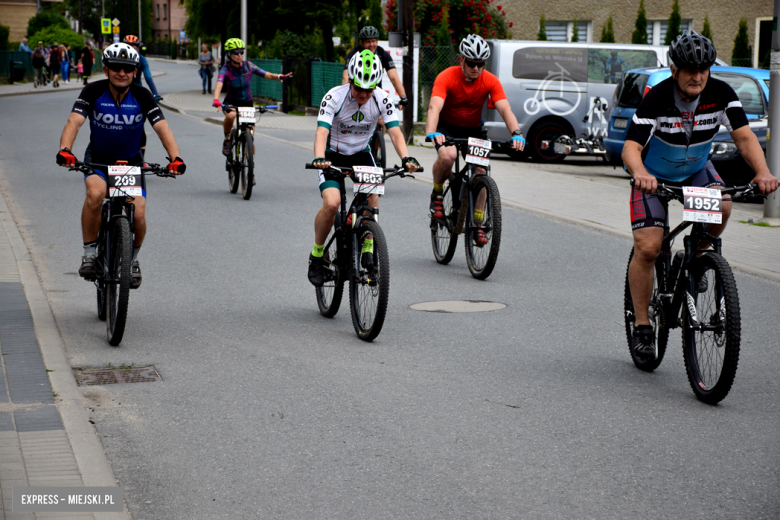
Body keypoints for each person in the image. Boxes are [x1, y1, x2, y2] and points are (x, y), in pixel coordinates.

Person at [623, 30, 779, 359]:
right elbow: (631, 147)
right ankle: (642, 326)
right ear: (673, 69)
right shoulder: (657, 97)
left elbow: (745, 138)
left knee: (723, 205)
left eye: (704, 69)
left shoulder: (721, 94)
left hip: (695, 170)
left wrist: (762, 172)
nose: (697, 76)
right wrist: (640, 174)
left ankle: (695, 255)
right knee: (649, 247)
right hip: (654, 176)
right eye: (690, 70)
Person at [55, 42, 186, 289]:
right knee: (95, 194)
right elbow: (74, 121)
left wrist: (175, 158)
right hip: (98, 158)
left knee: (137, 212)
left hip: (130, 163)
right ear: (106, 69)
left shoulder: (142, 95)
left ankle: (132, 261)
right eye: (116, 67)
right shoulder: (92, 91)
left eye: (127, 68)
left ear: (135, 72)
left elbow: (162, 128)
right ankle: (90, 254)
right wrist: (65, 150)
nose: (122, 73)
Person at [307, 50, 420, 286]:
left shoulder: (382, 98)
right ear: (351, 81)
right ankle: (317, 254)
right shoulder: (334, 97)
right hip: (332, 156)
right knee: (332, 203)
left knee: (372, 202)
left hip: (362, 155)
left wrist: (407, 157)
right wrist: (319, 157)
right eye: (359, 88)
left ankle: (368, 244)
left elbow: (395, 132)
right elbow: (321, 132)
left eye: (369, 90)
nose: (363, 94)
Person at [425, 34, 525, 246]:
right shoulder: (446, 76)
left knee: (481, 172)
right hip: (446, 128)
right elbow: (435, 106)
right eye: (472, 63)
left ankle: (478, 224)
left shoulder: (490, 80)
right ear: (461, 60)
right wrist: (432, 131)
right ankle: (437, 193)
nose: (476, 68)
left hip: (474, 130)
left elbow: (505, 108)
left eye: (481, 64)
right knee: (448, 156)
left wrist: (516, 132)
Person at [212, 38, 290, 157]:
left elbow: (266, 74)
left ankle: (249, 171)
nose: (239, 55)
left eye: (241, 52)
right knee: (232, 115)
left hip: (247, 103)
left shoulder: (248, 65)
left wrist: (279, 76)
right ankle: (227, 139)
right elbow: (219, 84)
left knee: (250, 138)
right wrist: (216, 99)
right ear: (229, 54)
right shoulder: (226, 69)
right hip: (231, 102)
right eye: (236, 52)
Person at [341, 26, 408, 111]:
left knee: (383, 120)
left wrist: (403, 97)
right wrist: (345, 98)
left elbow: (394, 78)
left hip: (374, 93)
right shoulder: (354, 54)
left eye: (374, 41)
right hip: (357, 94)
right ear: (362, 43)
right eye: (368, 42)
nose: (372, 44)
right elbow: (345, 77)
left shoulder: (382, 53)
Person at [124, 35, 162, 156]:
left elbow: (148, 77)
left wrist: (155, 93)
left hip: (136, 93)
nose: (132, 50)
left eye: (135, 47)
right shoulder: (120, 58)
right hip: (120, 92)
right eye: (129, 47)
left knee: (140, 125)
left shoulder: (142, 60)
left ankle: (141, 158)